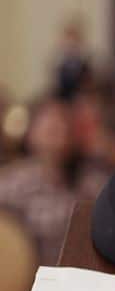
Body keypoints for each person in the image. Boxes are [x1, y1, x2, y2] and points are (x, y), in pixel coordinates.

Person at [0, 96, 77, 264]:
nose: (60, 136)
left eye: (66, 128)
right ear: (31, 133)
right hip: (28, 280)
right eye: (52, 130)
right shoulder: (11, 182)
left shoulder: (87, 180)